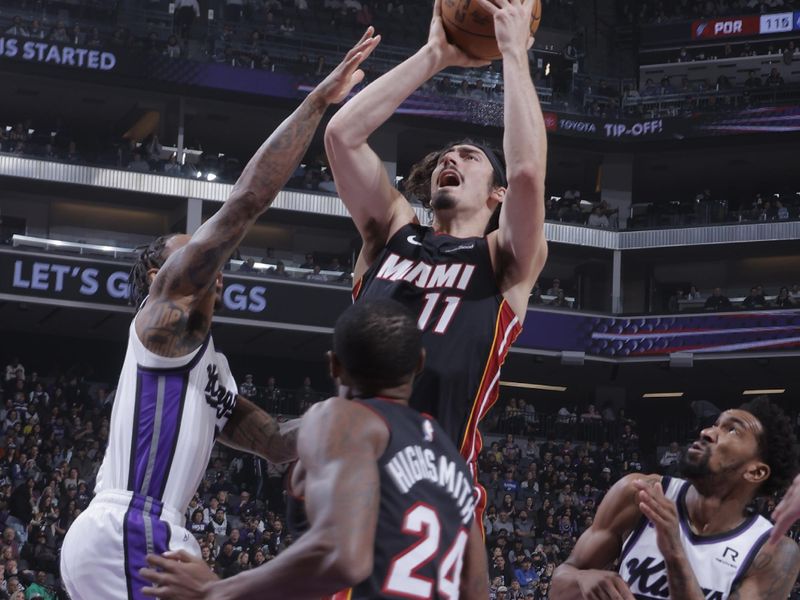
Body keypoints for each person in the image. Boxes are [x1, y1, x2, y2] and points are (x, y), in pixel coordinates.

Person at [58, 30, 381, 600]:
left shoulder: (208, 369)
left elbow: (278, 444)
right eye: (188, 251)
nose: (204, 256)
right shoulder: (161, 323)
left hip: (154, 531)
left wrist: (359, 408)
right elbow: (244, 204)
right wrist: (315, 104)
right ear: (162, 278)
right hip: (132, 525)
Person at [325, 0, 548, 529]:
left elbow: (528, 175)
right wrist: (433, 55)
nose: (452, 159)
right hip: (349, 472)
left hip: (437, 486)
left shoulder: (505, 259)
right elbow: (341, 136)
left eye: (469, 157)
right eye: (447, 157)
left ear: (496, 195)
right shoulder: (392, 233)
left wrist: (514, 53)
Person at [140, 300, 488, 599]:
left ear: (334, 365)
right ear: (419, 363)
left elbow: (344, 556)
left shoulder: (345, 418)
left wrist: (218, 591)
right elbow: (475, 589)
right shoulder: (452, 455)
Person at [551, 396, 800, 599]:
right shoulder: (639, 492)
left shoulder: (773, 553)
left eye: (732, 430)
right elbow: (559, 585)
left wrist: (674, 553)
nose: (707, 432)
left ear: (756, 471)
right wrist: (583, 580)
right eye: (715, 423)